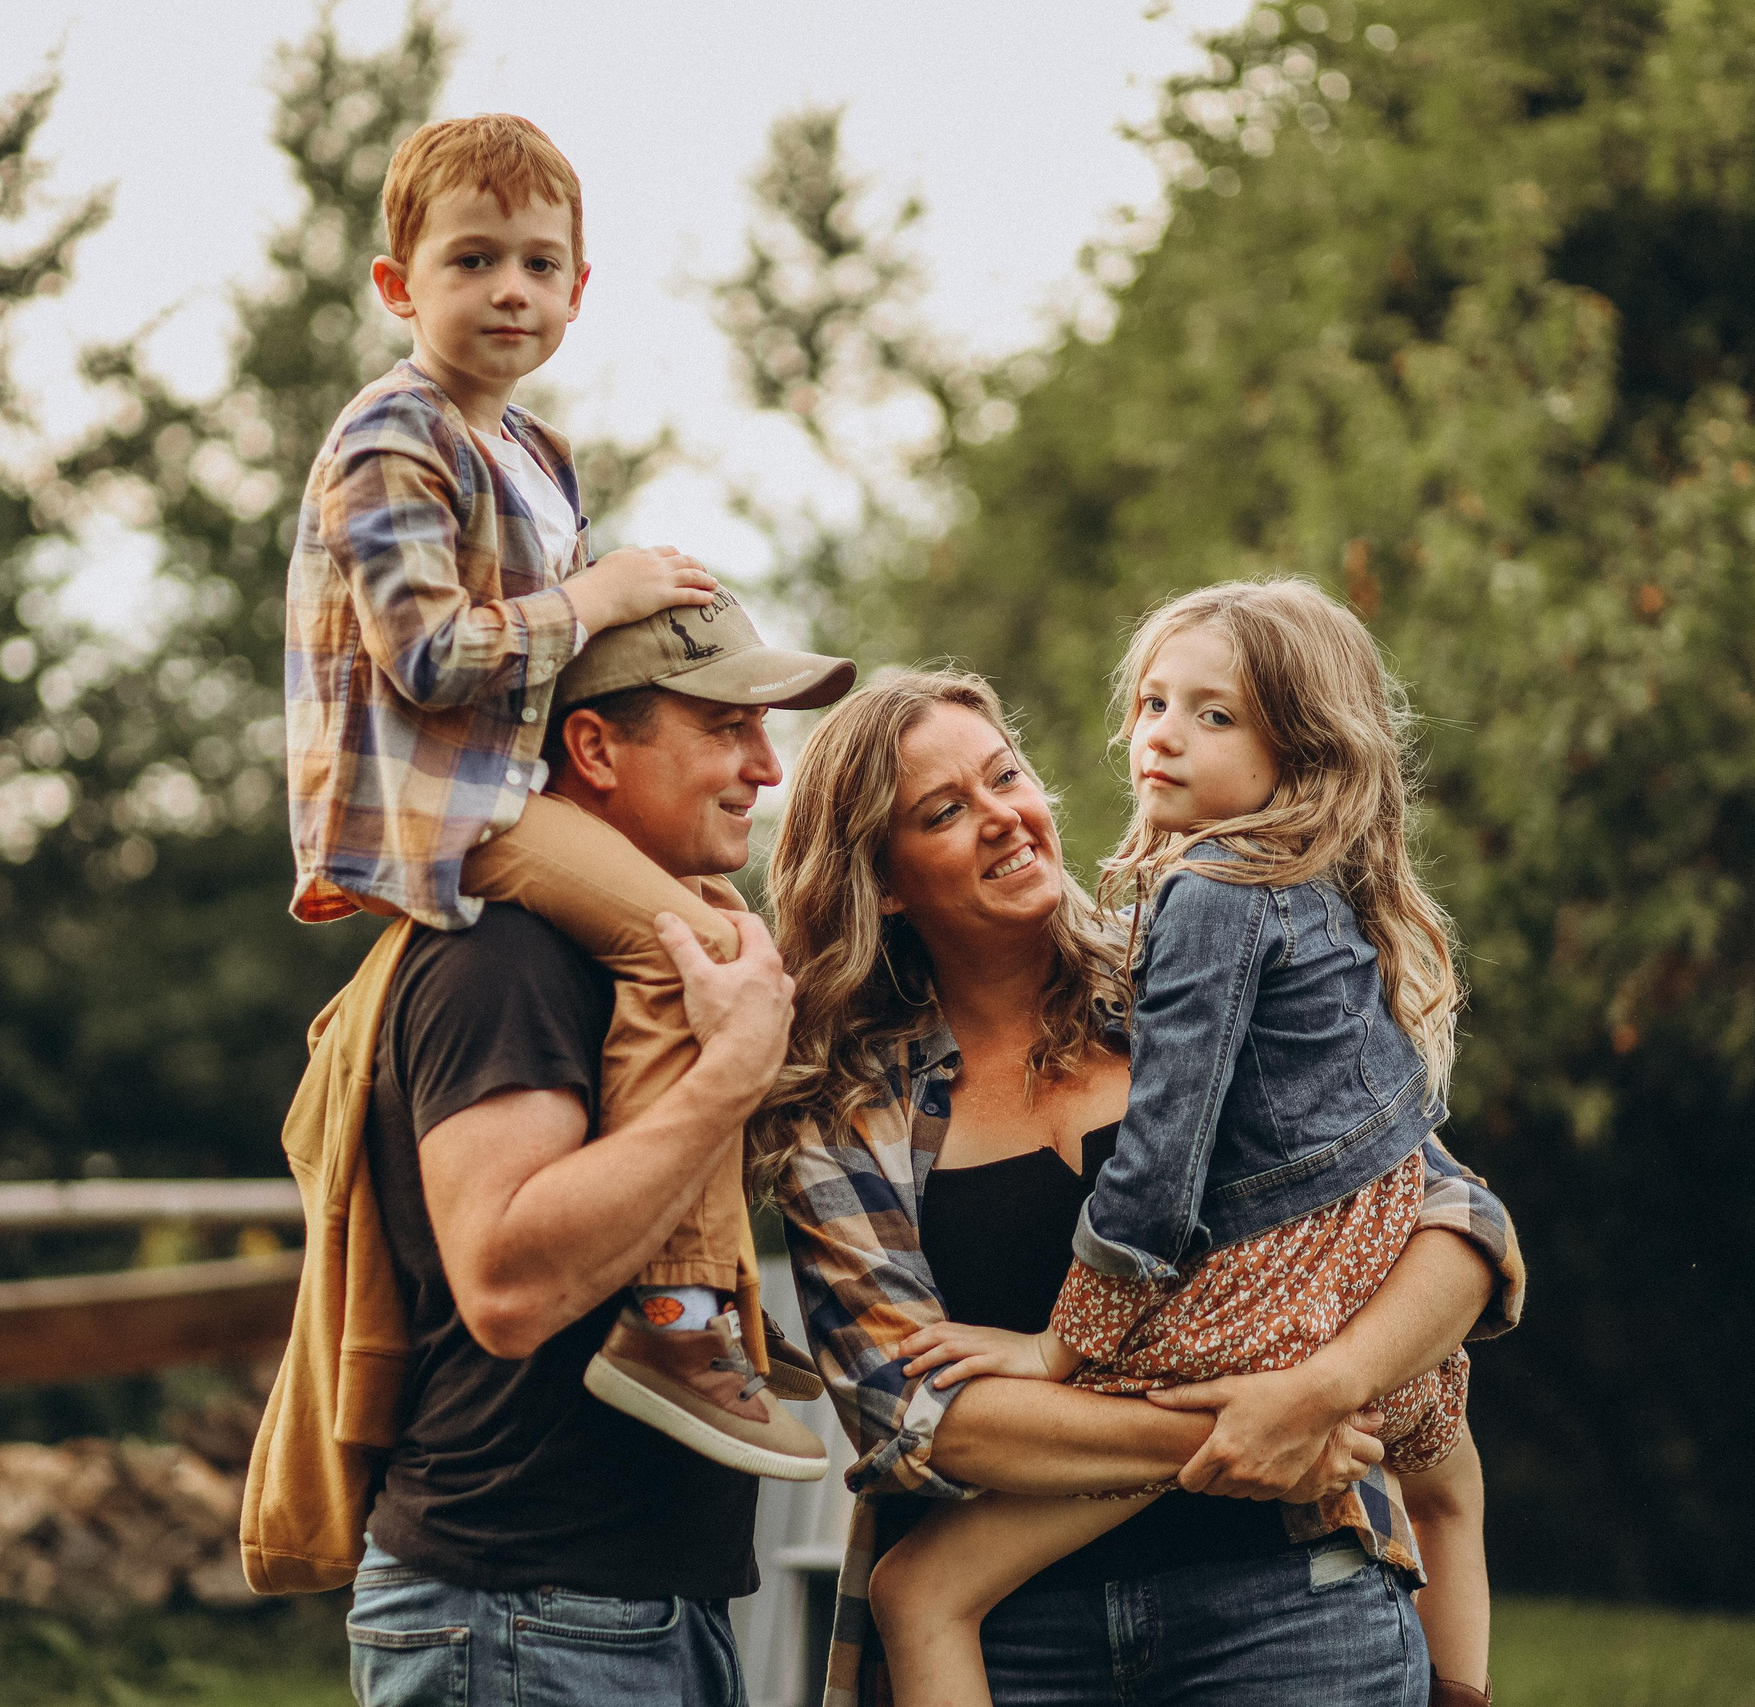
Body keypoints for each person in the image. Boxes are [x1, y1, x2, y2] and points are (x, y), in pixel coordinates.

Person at [759, 666, 1524, 1707]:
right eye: (944, 812)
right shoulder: (848, 1108)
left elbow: (1454, 1221)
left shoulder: (1194, 971)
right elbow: (919, 1415)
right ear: (882, 880)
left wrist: (1320, 1392)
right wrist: (1250, 1435)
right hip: (1013, 1639)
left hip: (1290, 1597)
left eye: (1004, 777)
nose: (1000, 818)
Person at [282, 111, 842, 1473]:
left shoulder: (534, 448)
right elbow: (427, 651)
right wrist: (597, 592)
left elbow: (575, 660)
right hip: (444, 807)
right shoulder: (390, 440)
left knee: (722, 924)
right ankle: (675, 1311)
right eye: (472, 261)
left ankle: (711, 1297)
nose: (511, 291)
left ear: (579, 291)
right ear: (398, 284)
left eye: (541, 265)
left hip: (516, 789)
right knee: (693, 948)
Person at [343, 605, 858, 1707]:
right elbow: (505, 1282)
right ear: (592, 749)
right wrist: (729, 1075)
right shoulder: (506, 956)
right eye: (727, 728)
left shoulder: (654, 954)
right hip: (526, 1613)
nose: (765, 768)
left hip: (617, 1609)